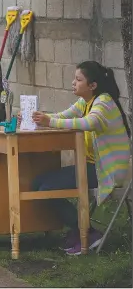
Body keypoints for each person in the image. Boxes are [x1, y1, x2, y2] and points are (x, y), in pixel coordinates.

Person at [25, 61, 131, 255]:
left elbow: (90, 122)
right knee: (37, 183)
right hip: (90, 166)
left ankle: (87, 232)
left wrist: (51, 122)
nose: (73, 83)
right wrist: (40, 118)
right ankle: (79, 229)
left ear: (93, 86)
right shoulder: (85, 102)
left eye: (78, 79)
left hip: (105, 170)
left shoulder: (104, 102)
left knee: (47, 189)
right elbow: (63, 116)